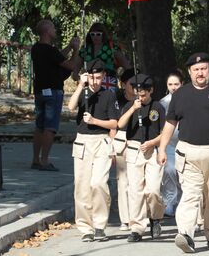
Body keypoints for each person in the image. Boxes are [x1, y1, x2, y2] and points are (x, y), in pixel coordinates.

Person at [157, 52, 209, 252]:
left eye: (203, 69)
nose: (200, 73)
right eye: (196, 70)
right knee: (190, 195)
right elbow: (170, 124)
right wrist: (161, 149)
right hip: (188, 153)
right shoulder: (180, 94)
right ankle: (185, 234)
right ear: (189, 72)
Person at [67, 59, 119, 242]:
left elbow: (115, 123)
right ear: (87, 76)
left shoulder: (109, 95)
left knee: (98, 183)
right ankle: (85, 227)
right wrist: (81, 85)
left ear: (103, 76)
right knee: (82, 186)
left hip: (102, 141)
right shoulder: (84, 91)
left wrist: (95, 121)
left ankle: (99, 225)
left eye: (98, 77)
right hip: (82, 141)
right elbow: (71, 107)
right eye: (92, 77)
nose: (95, 81)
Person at [118, 74, 165, 242]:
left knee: (153, 190)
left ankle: (155, 218)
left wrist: (153, 143)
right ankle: (137, 227)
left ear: (151, 91)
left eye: (144, 94)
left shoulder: (158, 107)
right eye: (138, 94)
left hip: (152, 149)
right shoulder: (130, 106)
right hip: (134, 149)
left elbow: (164, 133)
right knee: (135, 191)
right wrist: (133, 109)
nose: (141, 97)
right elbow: (120, 125)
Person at [31, 19, 80, 171]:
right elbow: (70, 65)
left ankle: (36, 159)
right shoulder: (50, 51)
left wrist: (69, 47)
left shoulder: (37, 48)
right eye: (52, 27)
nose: (55, 30)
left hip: (40, 91)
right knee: (50, 127)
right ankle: (45, 161)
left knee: (40, 126)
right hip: (53, 91)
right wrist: (76, 50)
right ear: (47, 31)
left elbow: (57, 56)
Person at [72, 22, 131, 90]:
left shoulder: (112, 48)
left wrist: (125, 84)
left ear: (103, 35)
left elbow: (128, 68)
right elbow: (75, 74)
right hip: (90, 88)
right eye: (92, 34)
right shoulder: (85, 50)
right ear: (89, 35)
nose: (95, 36)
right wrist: (83, 80)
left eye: (98, 34)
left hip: (109, 87)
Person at [113, 68, 137, 231]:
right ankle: (125, 219)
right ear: (123, 84)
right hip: (121, 140)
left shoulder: (144, 98)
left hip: (140, 141)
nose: (136, 87)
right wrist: (112, 148)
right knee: (123, 181)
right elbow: (113, 124)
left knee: (139, 182)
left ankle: (140, 216)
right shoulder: (116, 98)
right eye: (131, 83)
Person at [159, 71, 184, 217]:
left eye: (176, 84)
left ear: (182, 84)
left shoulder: (189, 99)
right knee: (168, 170)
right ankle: (169, 201)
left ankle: (181, 200)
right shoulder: (163, 103)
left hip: (185, 142)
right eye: (170, 84)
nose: (173, 87)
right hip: (169, 142)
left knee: (182, 173)